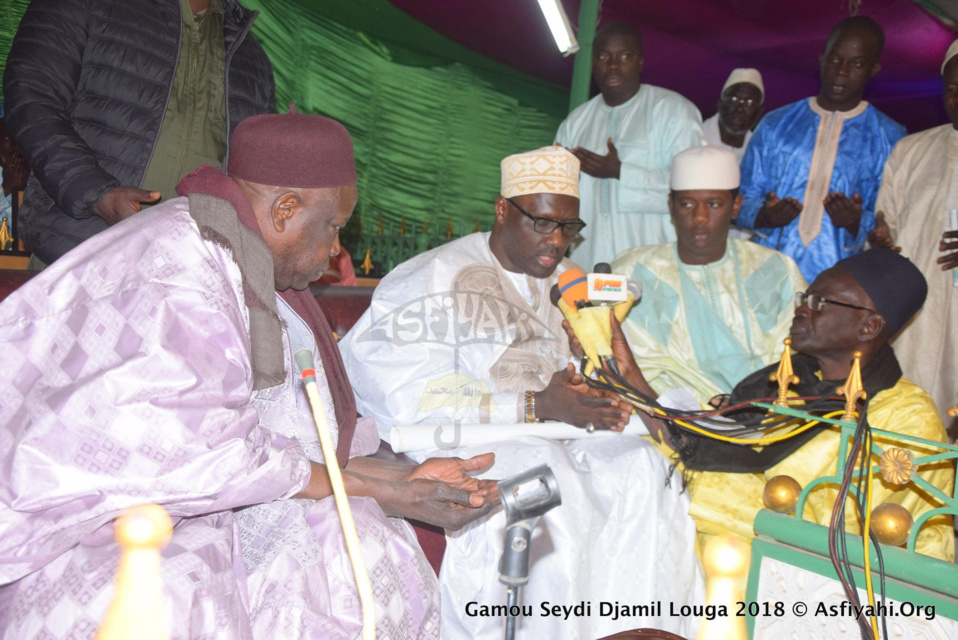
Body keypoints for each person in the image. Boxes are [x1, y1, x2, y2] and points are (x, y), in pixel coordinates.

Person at [0, 113, 501, 639]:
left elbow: (285, 437)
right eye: (334, 227)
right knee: (200, 581)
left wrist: (399, 479)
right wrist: (383, 490)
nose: (335, 250)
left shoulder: (235, 252)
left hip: (185, 487)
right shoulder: (181, 270)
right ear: (286, 209)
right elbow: (211, 455)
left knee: (366, 539)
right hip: (67, 512)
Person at [339, 146, 704, 640]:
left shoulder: (571, 282)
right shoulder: (433, 278)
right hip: (477, 439)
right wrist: (533, 406)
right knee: (548, 481)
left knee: (645, 468)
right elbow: (402, 392)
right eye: (541, 223)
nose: (556, 242)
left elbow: (595, 379)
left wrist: (593, 374)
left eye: (569, 228)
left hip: (561, 434)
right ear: (502, 209)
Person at [610, 250, 954, 561]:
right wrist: (626, 376)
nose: (802, 308)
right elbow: (701, 447)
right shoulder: (785, 382)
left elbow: (840, 533)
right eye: (806, 297)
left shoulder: (905, 418)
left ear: (869, 326)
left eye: (821, 302)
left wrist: (698, 484)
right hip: (714, 561)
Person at [3, 0, 276, 266]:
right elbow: (31, 96)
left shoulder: (252, 59)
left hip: (191, 282)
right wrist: (95, 193)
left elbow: (259, 173)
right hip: (79, 258)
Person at [612, 145, 805, 404]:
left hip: (769, 415)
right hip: (670, 418)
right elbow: (629, 361)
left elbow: (797, 352)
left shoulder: (776, 269)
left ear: (736, 206)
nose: (700, 217)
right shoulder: (634, 271)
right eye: (687, 203)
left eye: (714, 204)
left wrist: (751, 402)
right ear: (671, 205)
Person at [737, 16, 906, 282]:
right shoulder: (775, 124)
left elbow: (894, 221)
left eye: (857, 63)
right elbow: (740, 198)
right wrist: (765, 215)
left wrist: (856, 222)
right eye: (835, 59)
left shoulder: (891, 138)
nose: (842, 70)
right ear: (821, 59)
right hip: (767, 272)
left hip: (841, 283)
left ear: (873, 69)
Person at [555, 21, 704, 266]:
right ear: (593, 62)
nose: (613, 65)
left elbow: (693, 193)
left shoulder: (674, 111)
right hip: (587, 263)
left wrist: (620, 172)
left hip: (654, 265)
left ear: (640, 62)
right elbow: (559, 197)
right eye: (603, 57)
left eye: (624, 56)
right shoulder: (575, 122)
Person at [869, 40, 958, 427]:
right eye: (953, 89)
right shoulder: (911, 150)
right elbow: (885, 223)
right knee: (909, 422)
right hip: (915, 319)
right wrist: (881, 243)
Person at [703, 69, 765, 163]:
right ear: (720, 104)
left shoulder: (759, 154)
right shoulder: (694, 138)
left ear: (759, 113)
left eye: (749, 103)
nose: (740, 108)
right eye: (733, 100)